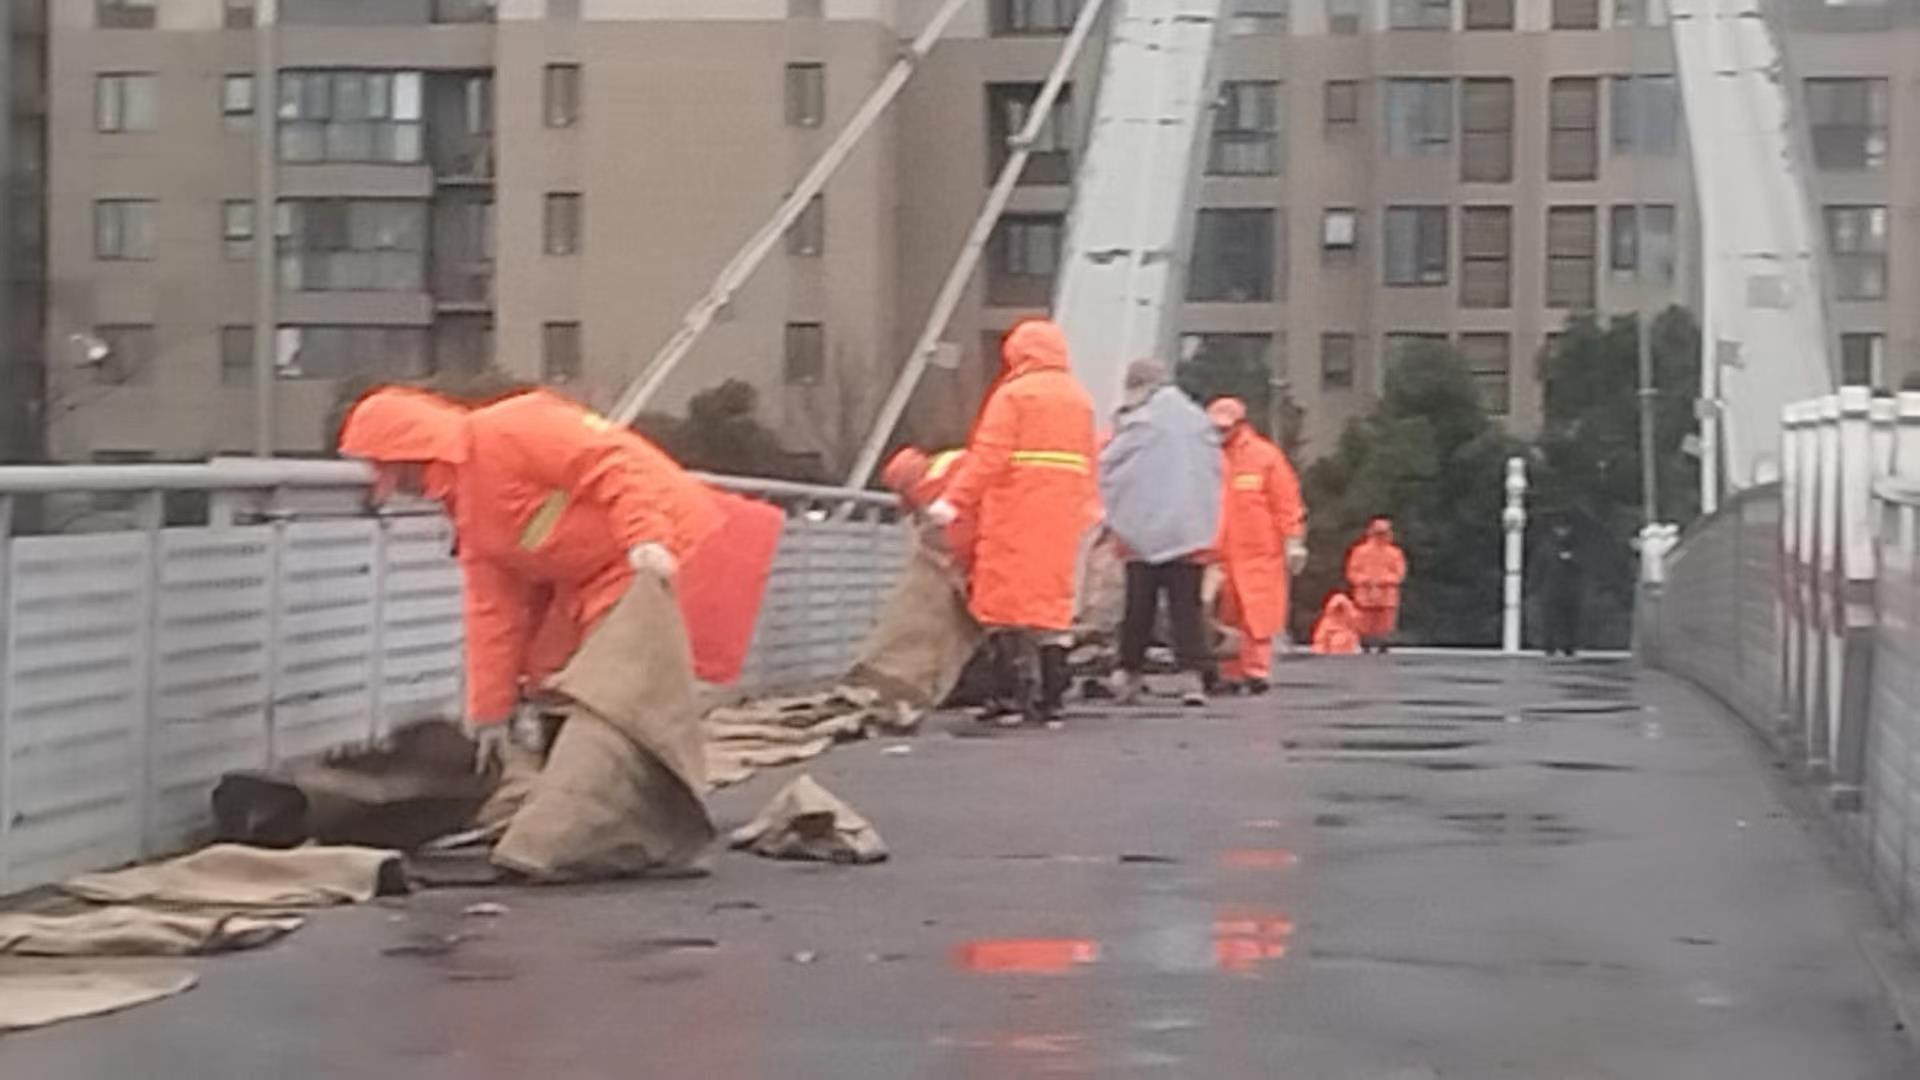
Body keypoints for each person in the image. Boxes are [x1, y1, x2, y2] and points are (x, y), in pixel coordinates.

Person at [337, 387, 783, 880]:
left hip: (655, 551)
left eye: (388, 468)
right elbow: (496, 613)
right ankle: (576, 802)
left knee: (615, 695)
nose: (394, 483)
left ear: (408, 452)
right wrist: (491, 712)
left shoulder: (511, 430)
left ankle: (594, 819)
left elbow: (614, 466)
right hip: (594, 574)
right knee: (551, 680)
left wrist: (647, 538)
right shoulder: (469, 506)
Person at [927, 319, 1100, 727]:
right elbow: (1090, 459)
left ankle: (1007, 696)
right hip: (1062, 514)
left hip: (1015, 510)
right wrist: (1090, 507)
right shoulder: (1079, 398)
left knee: (1002, 605)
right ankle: (1053, 700)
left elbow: (988, 456)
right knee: (1053, 606)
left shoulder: (1014, 394)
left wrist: (952, 501)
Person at [1099, 359, 1223, 707]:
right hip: (1191, 532)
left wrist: (1114, 515)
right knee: (1187, 607)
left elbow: (1111, 467)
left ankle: (1129, 675)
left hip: (1144, 532)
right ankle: (1192, 679)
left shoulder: (1139, 424)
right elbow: (1212, 473)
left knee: (1139, 606)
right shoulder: (1199, 422)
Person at [1207, 397, 1307, 694]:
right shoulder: (1204, 457)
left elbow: (1286, 503)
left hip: (1259, 554)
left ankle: (1256, 670)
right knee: (1224, 615)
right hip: (1217, 553)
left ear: (1240, 425)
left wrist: (1294, 541)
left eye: (1225, 428)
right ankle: (1229, 672)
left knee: (1259, 615)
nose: (1219, 434)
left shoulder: (1265, 457)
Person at [1346, 516, 1408, 654]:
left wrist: (1380, 582)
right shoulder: (1360, 551)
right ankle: (1365, 644)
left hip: (1387, 596)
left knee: (1385, 623)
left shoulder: (1395, 553)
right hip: (1365, 595)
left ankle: (1383, 645)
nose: (1381, 536)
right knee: (1364, 622)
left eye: (1384, 533)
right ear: (1371, 532)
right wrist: (1368, 581)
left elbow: (1399, 574)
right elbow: (1352, 572)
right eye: (1378, 533)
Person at [1541, 520, 1585, 657]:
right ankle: (1550, 646)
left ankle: (1569, 646)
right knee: (1551, 618)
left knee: (1569, 619)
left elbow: (1583, 566)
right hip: (1552, 588)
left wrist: (1572, 559)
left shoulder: (1576, 547)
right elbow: (1540, 567)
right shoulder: (1547, 547)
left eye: (1564, 529)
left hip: (1569, 589)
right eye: (1559, 528)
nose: (1562, 532)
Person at [1311, 591, 1363, 656]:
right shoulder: (1326, 624)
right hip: (1331, 660)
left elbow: (1356, 641)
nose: (1339, 612)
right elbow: (1320, 643)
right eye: (1337, 609)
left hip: (1349, 659)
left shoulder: (1351, 623)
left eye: (1342, 609)